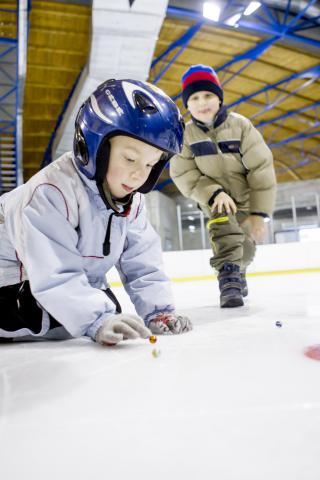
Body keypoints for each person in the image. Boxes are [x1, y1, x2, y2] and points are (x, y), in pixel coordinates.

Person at [0, 79, 192, 344]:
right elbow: (54, 274)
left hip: (48, 285)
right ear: (93, 146)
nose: (139, 174)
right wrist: (95, 320)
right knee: (65, 314)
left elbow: (142, 261)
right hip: (12, 285)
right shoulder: (51, 192)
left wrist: (158, 311)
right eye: (130, 158)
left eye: (150, 164)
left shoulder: (130, 201)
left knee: (108, 308)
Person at [170, 65, 277, 308]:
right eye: (194, 98)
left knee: (246, 251)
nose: (202, 102)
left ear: (219, 98)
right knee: (225, 232)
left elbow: (261, 169)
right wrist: (213, 192)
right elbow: (182, 172)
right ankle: (228, 279)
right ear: (187, 105)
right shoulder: (185, 136)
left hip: (246, 199)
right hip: (214, 200)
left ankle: (239, 270)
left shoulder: (241, 126)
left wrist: (258, 214)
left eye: (208, 95)